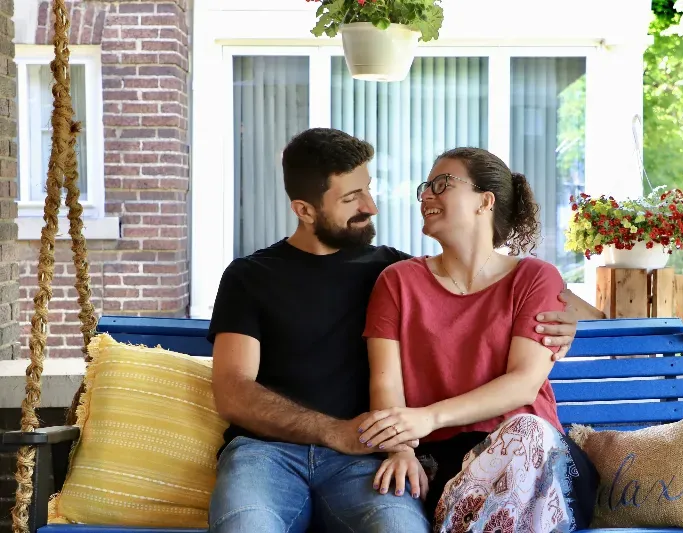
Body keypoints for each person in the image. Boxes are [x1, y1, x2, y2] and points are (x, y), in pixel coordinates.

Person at [206, 128, 591, 533]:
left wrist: (578, 317)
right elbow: (234, 391)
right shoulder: (253, 277)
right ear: (304, 210)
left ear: (486, 201)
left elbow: (497, 283)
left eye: (367, 190)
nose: (371, 206)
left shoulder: (388, 268)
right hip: (272, 455)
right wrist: (350, 434)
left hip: (367, 459)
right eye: (351, 197)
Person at [360, 147, 600, 532]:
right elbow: (385, 383)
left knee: (527, 432)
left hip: (542, 461)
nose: (426, 195)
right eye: (425, 187)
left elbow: (523, 385)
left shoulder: (535, 279)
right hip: (448, 465)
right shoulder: (398, 282)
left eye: (442, 184)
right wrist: (401, 448)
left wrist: (428, 417)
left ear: (484, 201)